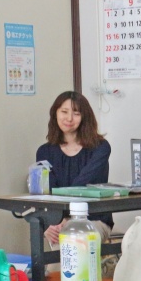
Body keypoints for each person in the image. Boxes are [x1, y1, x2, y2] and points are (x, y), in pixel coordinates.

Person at [36, 90, 113, 245]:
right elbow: (47, 193)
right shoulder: (44, 152)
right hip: (58, 220)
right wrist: (48, 224)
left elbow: (81, 186)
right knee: (58, 235)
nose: (69, 118)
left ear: (85, 117)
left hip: (94, 220)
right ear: (55, 114)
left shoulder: (101, 147)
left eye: (76, 113)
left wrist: (68, 219)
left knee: (72, 237)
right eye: (64, 112)